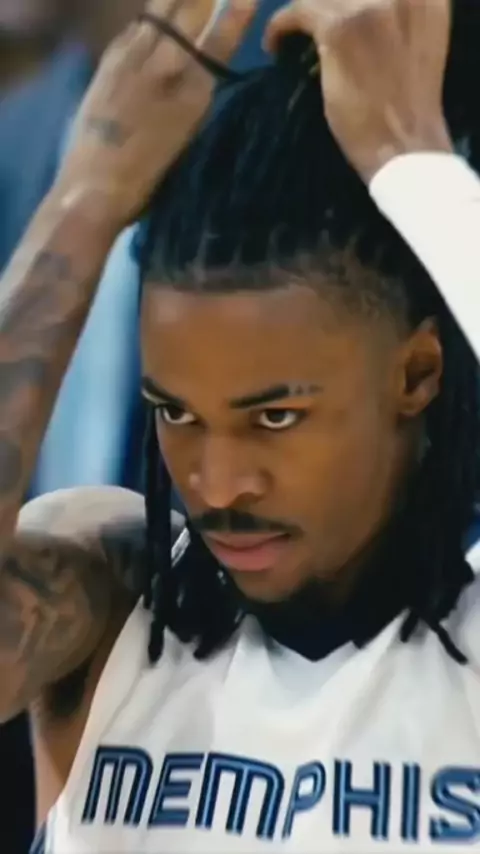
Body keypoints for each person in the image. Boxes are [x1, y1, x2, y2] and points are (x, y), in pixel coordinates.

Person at [1, 0, 480, 851]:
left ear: (416, 374)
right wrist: (85, 200)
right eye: (175, 412)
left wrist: (412, 167)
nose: (217, 483)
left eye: (275, 416)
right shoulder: (117, 594)